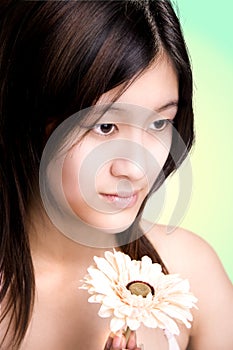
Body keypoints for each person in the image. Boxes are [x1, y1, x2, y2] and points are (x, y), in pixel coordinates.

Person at [0, 1, 232, 349]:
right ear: (28, 118)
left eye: (159, 123)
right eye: (105, 126)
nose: (136, 168)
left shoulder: (193, 276)